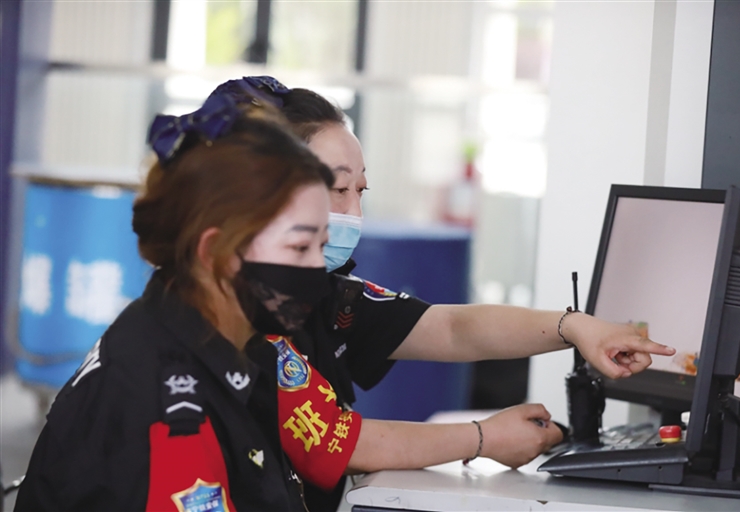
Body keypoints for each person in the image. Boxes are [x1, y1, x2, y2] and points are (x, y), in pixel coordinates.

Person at [205, 77, 678, 511]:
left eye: (360, 190)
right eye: (338, 188)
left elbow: (451, 328)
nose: (354, 213)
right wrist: (484, 438)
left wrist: (573, 326)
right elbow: (345, 444)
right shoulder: (234, 315)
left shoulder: (320, 294)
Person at [14, 97, 354, 510]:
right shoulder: (168, 408)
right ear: (213, 251)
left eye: (321, 246)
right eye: (299, 247)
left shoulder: (226, 342)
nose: (317, 269)